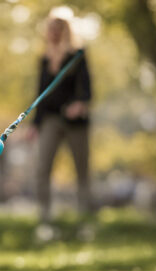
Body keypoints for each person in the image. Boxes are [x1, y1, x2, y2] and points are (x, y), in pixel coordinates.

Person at [28, 11, 92, 222]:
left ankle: (84, 219)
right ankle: (45, 220)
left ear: (66, 31)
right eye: (51, 29)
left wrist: (79, 103)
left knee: (82, 170)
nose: (54, 33)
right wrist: (34, 124)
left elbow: (87, 88)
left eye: (58, 29)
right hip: (50, 120)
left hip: (76, 122)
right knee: (42, 169)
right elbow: (40, 94)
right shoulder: (44, 59)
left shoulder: (77, 56)